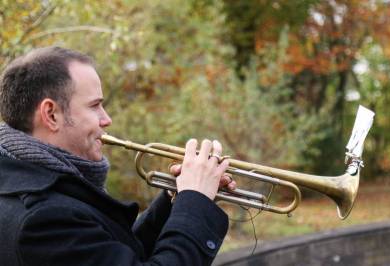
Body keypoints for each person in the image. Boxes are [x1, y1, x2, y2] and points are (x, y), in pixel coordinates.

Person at [0, 47, 236, 266]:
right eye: (94, 106)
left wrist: (178, 199)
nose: (106, 119)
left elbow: (119, 252)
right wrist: (196, 202)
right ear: (51, 114)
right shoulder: (44, 219)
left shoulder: (35, 182)